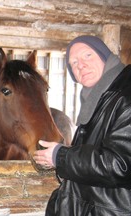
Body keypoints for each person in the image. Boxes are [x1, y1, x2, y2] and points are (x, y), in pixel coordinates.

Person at [34, 35, 131, 215]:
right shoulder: (98, 99)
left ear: (104, 56)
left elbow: (121, 164)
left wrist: (61, 156)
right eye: (74, 63)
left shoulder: (125, 96)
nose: (81, 65)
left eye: (88, 55)